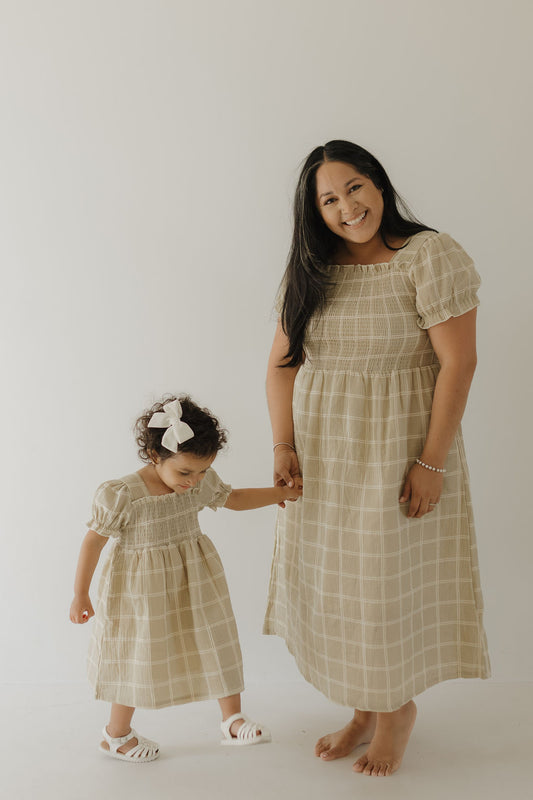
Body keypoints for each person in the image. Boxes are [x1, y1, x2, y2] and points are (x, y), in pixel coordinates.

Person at [263, 140, 490, 778]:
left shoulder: (428, 255)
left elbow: (459, 363)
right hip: (324, 455)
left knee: (387, 585)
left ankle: (395, 713)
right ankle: (363, 709)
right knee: (345, 588)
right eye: (329, 199)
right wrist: (283, 446)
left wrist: (432, 463)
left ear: (379, 184)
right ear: (315, 212)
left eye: (355, 187)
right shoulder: (310, 268)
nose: (347, 206)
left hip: (398, 451)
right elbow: (282, 367)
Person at [70, 395, 301, 762]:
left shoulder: (197, 482)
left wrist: (281, 494)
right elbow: (92, 543)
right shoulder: (123, 495)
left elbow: (234, 498)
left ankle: (232, 719)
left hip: (194, 577)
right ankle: (116, 735)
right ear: (154, 456)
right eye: (185, 473)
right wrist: (80, 593)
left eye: (202, 472)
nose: (194, 483)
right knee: (137, 653)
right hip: (141, 589)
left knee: (216, 638)